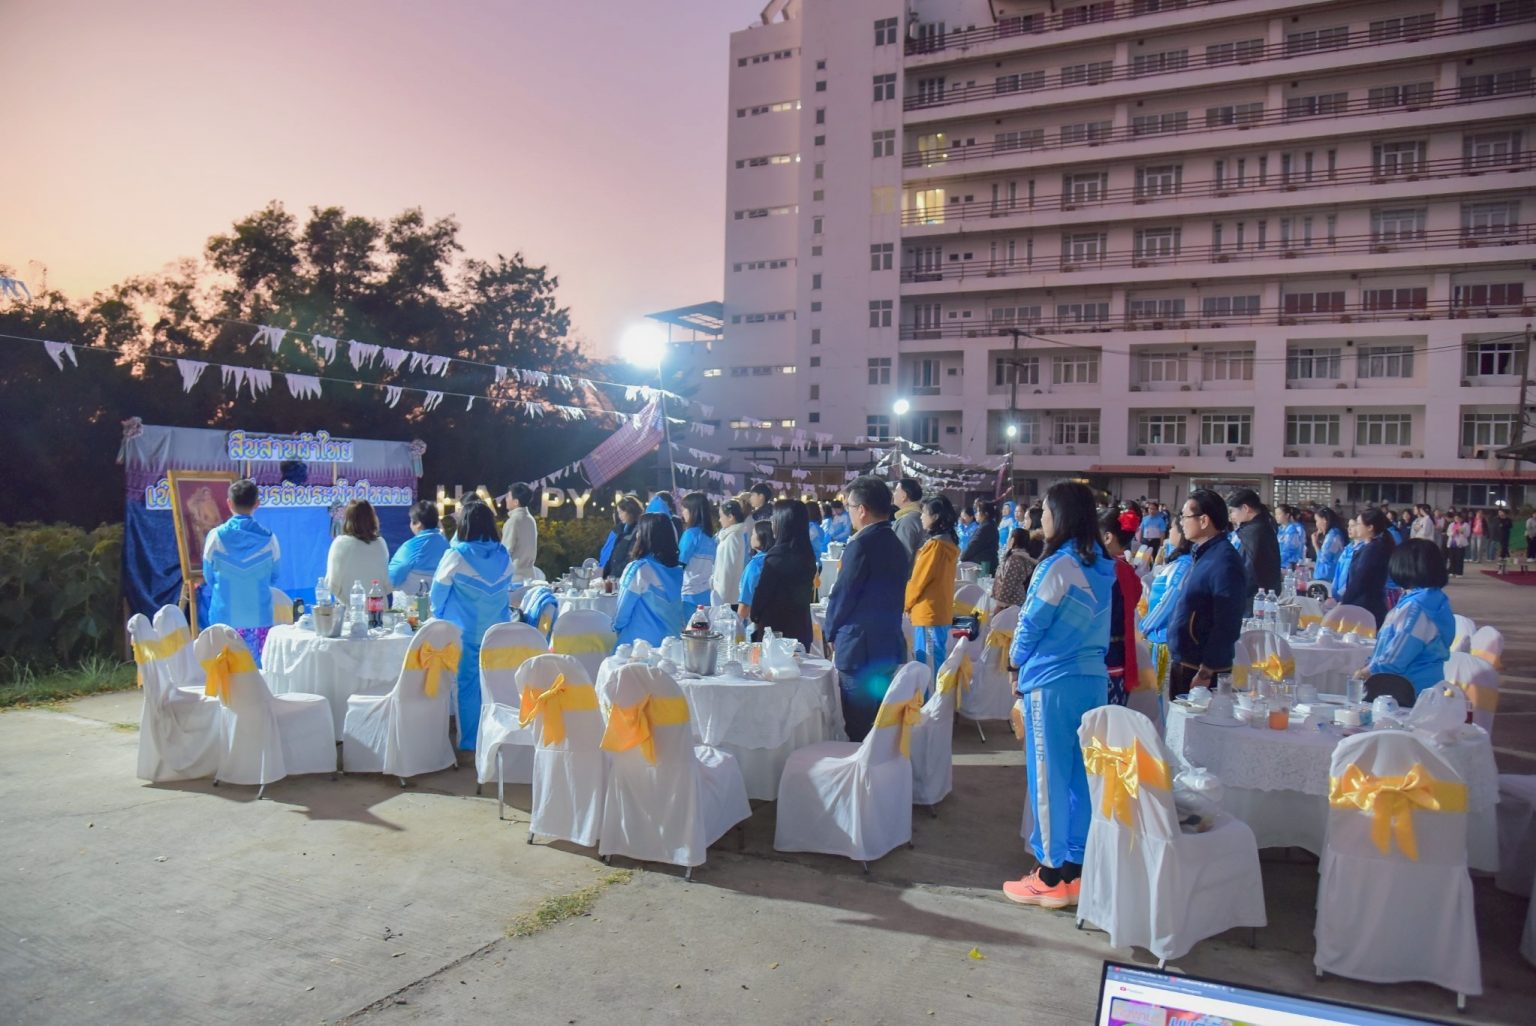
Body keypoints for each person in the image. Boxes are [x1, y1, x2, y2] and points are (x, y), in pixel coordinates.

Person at [1002, 481, 1115, 909]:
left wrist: (1014, 663)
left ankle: (1049, 873)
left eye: (1046, 512)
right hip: (1092, 680)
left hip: (1052, 682)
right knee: (1081, 778)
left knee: (1048, 777)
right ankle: (1075, 869)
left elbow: (1030, 623)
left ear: (1060, 516)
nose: (1042, 519)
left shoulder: (1058, 565)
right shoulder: (1103, 565)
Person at [822, 476, 908, 741]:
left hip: (859, 649)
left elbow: (843, 594)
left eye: (849, 507)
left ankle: (863, 767)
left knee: (858, 725)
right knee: (881, 722)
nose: (848, 513)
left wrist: (829, 631)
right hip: (887, 645)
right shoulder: (896, 544)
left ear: (862, 510)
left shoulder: (861, 544)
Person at [430, 501, 512, 750]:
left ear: (464, 525)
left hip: (464, 633)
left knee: (466, 687)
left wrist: (439, 617)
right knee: (494, 686)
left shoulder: (456, 555)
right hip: (497, 633)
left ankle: (470, 744)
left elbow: (437, 596)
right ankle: (496, 739)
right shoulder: (504, 554)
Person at [1168, 489, 1246, 698]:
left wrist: (1207, 669)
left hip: (1200, 667)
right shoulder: (1204, 554)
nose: (1181, 523)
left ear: (1203, 521)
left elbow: (1228, 621)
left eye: (1185, 517)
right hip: (1186, 659)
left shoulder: (1224, 560)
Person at [1364, 539, 1454, 695]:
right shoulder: (1434, 600)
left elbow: (1397, 656)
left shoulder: (1417, 608)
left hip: (1408, 692)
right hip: (1423, 687)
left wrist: (1367, 672)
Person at [201, 479, 281, 653]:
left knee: (225, 666)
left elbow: (208, 576)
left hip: (224, 619)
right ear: (257, 504)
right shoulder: (270, 539)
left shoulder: (215, 537)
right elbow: (274, 577)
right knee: (258, 667)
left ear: (229, 503)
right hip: (260, 618)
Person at [1138, 514, 1195, 696]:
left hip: (1164, 638)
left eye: (1172, 528)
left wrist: (1144, 627)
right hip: (1157, 636)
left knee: (1160, 693)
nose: (1170, 532)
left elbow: (1167, 602)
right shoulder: (1178, 562)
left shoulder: (1183, 566)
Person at [750, 499, 817, 647]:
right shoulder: (807, 553)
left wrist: (754, 615)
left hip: (777, 631)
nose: (772, 523)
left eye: (774, 519)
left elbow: (763, 592)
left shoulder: (777, 556)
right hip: (801, 628)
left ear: (783, 523)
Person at [612, 512, 685, 648]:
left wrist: (616, 628)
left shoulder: (638, 569)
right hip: (672, 645)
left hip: (639, 647)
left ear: (645, 535)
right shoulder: (678, 572)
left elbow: (622, 612)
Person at [905, 496, 960, 674]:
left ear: (935, 517)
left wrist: (906, 604)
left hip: (927, 612)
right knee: (936, 658)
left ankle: (932, 693)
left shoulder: (935, 547)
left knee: (927, 664)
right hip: (939, 610)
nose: (921, 516)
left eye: (924, 513)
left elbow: (919, 580)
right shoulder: (948, 544)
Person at [1097, 510, 1141, 707]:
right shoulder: (1128, 572)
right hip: (1120, 656)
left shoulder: (1097, 569)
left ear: (1107, 537)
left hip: (1096, 656)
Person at [324, 499, 391, 607]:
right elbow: (386, 585)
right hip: (379, 610)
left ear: (347, 519)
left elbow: (332, 585)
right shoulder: (381, 543)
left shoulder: (340, 543)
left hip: (350, 612)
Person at [1226, 488, 1281, 614]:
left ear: (1245, 508)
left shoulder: (1254, 532)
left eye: (1233, 511)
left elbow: (1249, 568)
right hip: (1258, 596)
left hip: (1252, 598)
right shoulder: (1259, 527)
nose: (1231, 516)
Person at [1339, 508, 1396, 626]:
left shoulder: (1373, 549)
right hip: (1366, 603)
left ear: (1370, 527)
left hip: (1365, 606)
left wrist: (1344, 602)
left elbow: (1360, 579)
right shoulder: (1371, 546)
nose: (1356, 527)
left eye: (1359, 524)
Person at [388, 500, 450, 594]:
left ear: (418, 524)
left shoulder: (411, 547)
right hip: (439, 598)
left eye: (411, 520)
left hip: (413, 600)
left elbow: (392, 577)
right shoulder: (446, 544)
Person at [677, 491, 718, 612]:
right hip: (706, 592)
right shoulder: (710, 537)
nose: (682, 513)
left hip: (689, 594)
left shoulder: (690, 534)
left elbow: (680, 564)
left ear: (692, 511)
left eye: (684, 509)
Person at [711, 499, 750, 606]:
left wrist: (720, 598)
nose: (719, 520)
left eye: (721, 516)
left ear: (730, 517)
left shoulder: (732, 538)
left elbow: (727, 569)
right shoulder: (732, 535)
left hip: (726, 598)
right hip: (727, 595)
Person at [736, 520, 774, 624]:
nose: (751, 537)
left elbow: (745, 602)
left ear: (761, 537)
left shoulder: (755, 565)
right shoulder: (777, 560)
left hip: (755, 622)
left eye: (753, 533)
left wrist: (737, 625)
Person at [499, 482, 539, 582]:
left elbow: (505, 552)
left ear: (516, 502)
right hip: (530, 576)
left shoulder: (513, 521)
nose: (506, 499)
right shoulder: (530, 519)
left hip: (514, 578)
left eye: (508, 496)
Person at [991, 527, 1038, 609]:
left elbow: (1008, 583)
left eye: (1009, 537)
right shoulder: (1021, 556)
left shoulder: (1014, 559)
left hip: (1010, 602)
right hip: (1014, 600)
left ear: (1013, 540)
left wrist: (999, 605)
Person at [599, 495, 643, 580]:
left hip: (624, 579)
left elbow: (631, 558)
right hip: (613, 578)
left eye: (622, 512)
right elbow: (612, 555)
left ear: (631, 511)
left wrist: (614, 575)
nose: (620, 516)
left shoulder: (638, 531)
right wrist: (605, 575)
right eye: (618, 513)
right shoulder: (622, 530)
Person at [891, 478, 926, 564]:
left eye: (896, 491)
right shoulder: (917, 516)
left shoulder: (907, 521)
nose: (893, 494)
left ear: (904, 496)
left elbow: (901, 556)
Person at [1313, 508, 1347, 593]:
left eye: (1317, 521)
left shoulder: (1332, 535)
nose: (1316, 524)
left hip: (1327, 577)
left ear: (1324, 520)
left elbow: (1324, 559)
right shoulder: (1333, 534)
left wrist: (1315, 544)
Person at [961, 499, 1000, 574]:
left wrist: (962, 557)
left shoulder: (986, 527)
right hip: (986, 563)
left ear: (986, 514)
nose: (976, 514)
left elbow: (973, 545)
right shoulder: (989, 525)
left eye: (978, 511)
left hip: (983, 565)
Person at [1275, 505, 1306, 571]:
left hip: (1287, 566)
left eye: (1279, 514)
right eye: (1276, 514)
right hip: (1279, 563)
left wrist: (1275, 561)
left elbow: (1288, 550)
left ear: (1287, 515)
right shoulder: (1280, 529)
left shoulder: (1292, 530)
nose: (1276, 516)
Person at [1445, 512, 1469, 578]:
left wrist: (1462, 532)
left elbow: (1467, 534)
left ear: (1461, 518)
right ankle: (1452, 571)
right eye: (1455, 518)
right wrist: (1452, 533)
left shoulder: (1465, 525)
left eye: (1458, 518)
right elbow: (1448, 533)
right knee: (1452, 558)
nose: (1457, 519)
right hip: (1452, 543)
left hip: (1460, 543)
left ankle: (1459, 573)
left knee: (1459, 559)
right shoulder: (1452, 524)